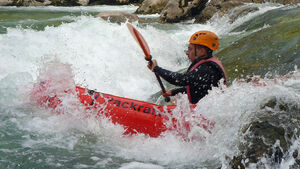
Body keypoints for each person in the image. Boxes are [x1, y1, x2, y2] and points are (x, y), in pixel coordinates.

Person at [148, 31, 227, 104]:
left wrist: (156, 69)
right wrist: (173, 92)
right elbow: (195, 88)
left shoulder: (207, 69)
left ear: (202, 51)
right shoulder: (204, 64)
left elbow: (181, 80)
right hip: (203, 109)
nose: (187, 53)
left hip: (206, 115)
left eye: (190, 49)